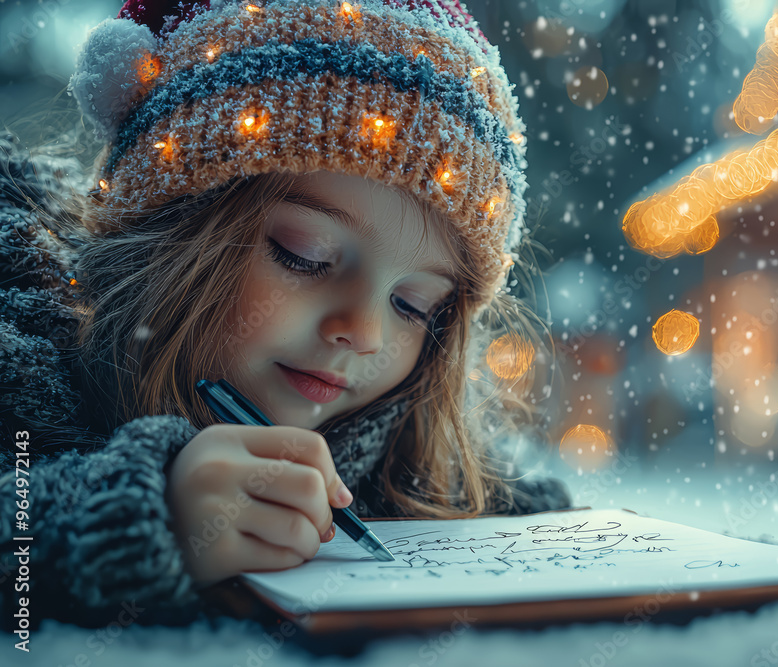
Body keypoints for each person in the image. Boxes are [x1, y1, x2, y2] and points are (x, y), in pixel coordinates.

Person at [0, 0, 571, 629]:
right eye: (304, 256)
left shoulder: (421, 470)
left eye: (413, 305)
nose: (366, 331)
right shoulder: (23, 380)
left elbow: (545, 530)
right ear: (173, 231)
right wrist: (133, 515)